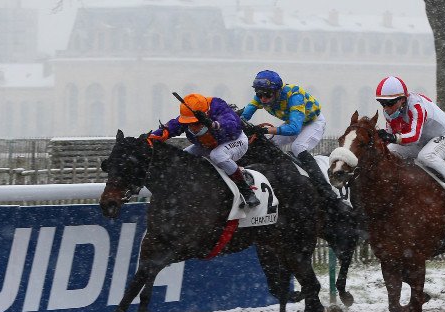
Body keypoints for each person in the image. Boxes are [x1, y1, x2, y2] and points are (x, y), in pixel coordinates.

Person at [240, 69, 347, 214]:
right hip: (294, 123)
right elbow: (244, 116)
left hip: (313, 123)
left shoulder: (294, 95)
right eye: (259, 94)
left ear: (277, 91)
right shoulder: (262, 96)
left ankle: (326, 191)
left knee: (298, 147)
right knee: (266, 143)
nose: (263, 99)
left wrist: (265, 130)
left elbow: (294, 129)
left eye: (267, 95)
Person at [148, 93, 260, 208]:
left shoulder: (218, 106)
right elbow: (169, 129)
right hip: (208, 145)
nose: (192, 127)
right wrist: (150, 138)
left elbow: (233, 125)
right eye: (188, 124)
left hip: (235, 140)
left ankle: (247, 192)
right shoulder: (188, 115)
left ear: (206, 113)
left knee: (217, 155)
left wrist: (213, 124)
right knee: (182, 158)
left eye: (195, 123)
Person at [375, 76, 445, 202]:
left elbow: (413, 136)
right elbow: (390, 136)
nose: (386, 108)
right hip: (422, 141)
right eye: (382, 103)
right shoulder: (388, 113)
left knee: (426, 156)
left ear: (402, 99)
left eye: (390, 103)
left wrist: (392, 137)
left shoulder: (416, 106)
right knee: (389, 151)